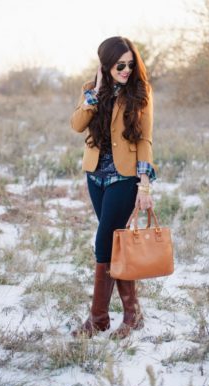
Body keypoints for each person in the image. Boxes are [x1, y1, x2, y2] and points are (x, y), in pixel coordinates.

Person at [70, 36, 156, 339]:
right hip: (95, 176)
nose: (126, 70)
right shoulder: (90, 90)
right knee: (116, 244)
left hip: (124, 178)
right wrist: (93, 94)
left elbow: (144, 139)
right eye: (120, 65)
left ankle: (98, 318)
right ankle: (133, 315)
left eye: (131, 64)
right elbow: (76, 125)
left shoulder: (141, 91)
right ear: (106, 65)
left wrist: (144, 185)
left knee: (104, 242)